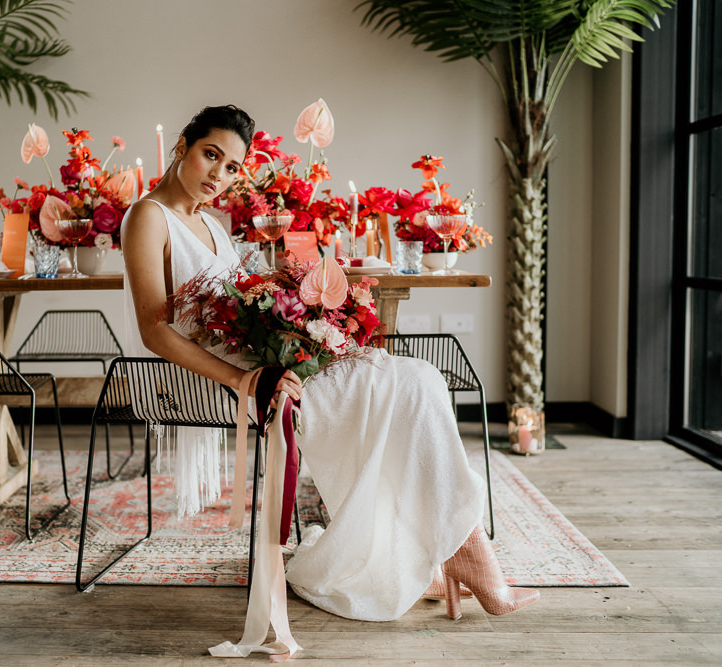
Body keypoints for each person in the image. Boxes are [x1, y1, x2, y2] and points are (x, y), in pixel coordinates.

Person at [120, 104, 539, 625]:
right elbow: (154, 329)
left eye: (232, 167)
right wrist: (244, 379)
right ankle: (469, 562)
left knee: (420, 381)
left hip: (265, 359)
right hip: (223, 375)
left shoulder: (211, 224)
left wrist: (303, 326)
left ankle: (450, 552)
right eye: (211, 155)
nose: (219, 175)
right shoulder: (147, 216)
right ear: (183, 144)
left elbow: (238, 302)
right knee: (407, 386)